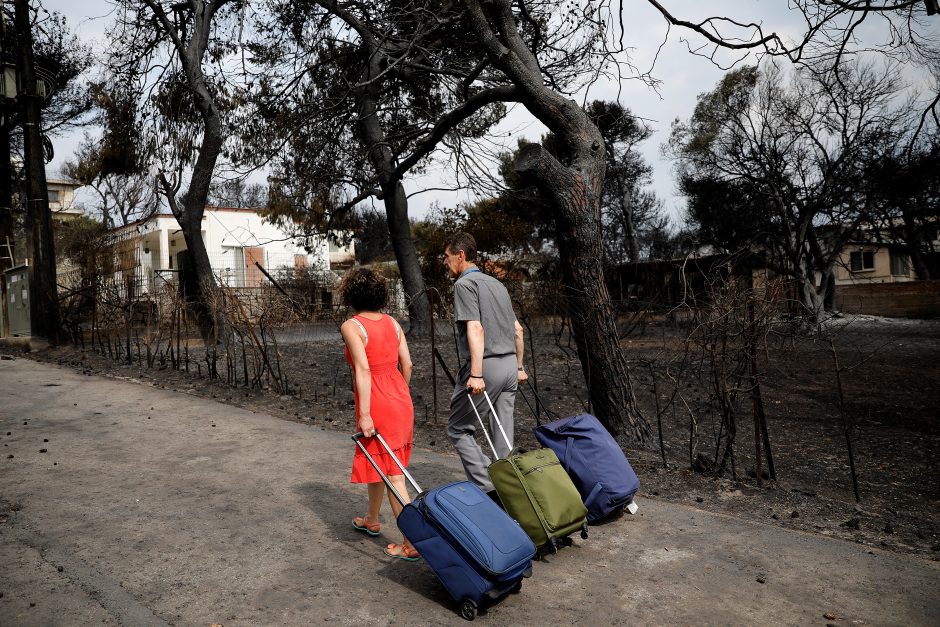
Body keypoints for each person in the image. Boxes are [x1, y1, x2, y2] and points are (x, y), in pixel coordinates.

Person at [340, 268, 419, 561]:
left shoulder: (352, 326)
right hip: (400, 398)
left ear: (350, 295)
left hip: (378, 404)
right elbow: (407, 365)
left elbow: (362, 369)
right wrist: (400, 393)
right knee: (383, 463)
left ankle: (412, 542)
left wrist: (365, 414)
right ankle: (372, 519)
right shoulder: (393, 323)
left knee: (393, 475)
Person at [442, 232, 528, 497]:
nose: (445, 262)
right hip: (509, 366)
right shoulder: (497, 284)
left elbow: (476, 329)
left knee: (458, 428)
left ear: (461, 255)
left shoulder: (464, 285)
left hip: (487, 367)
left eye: (447, 257)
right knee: (502, 434)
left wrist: (476, 374)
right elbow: (517, 330)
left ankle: (487, 489)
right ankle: (512, 493)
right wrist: (520, 367)